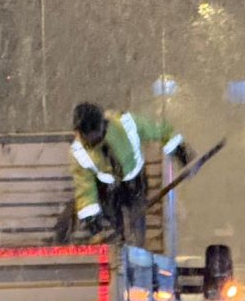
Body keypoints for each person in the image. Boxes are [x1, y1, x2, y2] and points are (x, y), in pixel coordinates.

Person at [69, 102, 192, 246]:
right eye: (86, 136)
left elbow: (158, 130)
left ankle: (137, 248)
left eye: (93, 134)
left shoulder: (126, 124)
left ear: (102, 124)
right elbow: (85, 190)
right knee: (114, 223)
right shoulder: (78, 151)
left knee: (137, 215)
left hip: (135, 178)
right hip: (107, 186)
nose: (90, 139)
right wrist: (93, 225)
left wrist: (180, 152)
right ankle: (118, 246)